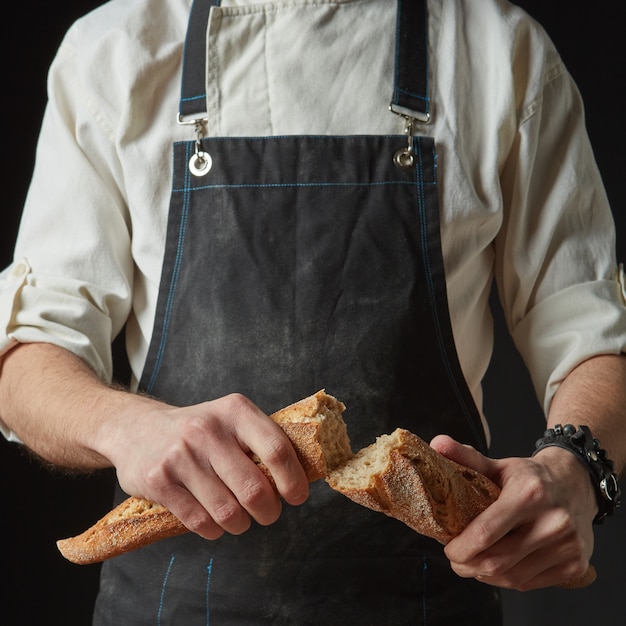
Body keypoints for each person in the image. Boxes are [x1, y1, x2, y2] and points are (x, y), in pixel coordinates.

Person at [1, 0, 624, 623]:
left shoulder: (498, 50)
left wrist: (575, 470)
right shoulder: (112, 50)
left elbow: (595, 334)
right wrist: (122, 425)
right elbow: (27, 357)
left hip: (426, 603)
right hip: (169, 607)